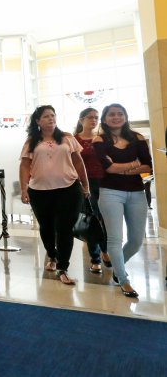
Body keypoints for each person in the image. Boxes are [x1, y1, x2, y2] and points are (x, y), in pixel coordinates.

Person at [19, 105, 90, 285]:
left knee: (65, 228)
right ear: (37, 121)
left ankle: (63, 268)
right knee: (47, 227)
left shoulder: (67, 138)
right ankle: (52, 254)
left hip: (69, 189)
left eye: (53, 115)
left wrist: (85, 184)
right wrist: (23, 188)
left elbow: (78, 161)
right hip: (39, 191)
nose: (51, 119)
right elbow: (25, 165)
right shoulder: (31, 141)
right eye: (45, 116)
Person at [93, 103, 153, 298]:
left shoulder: (138, 138)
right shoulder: (99, 140)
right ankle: (123, 280)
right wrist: (133, 164)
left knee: (136, 241)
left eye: (120, 114)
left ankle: (118, 268)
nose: (116, 117)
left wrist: (122, 166)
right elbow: (108, 168)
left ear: (126, 117)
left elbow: (148, 166)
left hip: (136, 192)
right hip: (110, 192)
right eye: (111, 114)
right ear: (104, 119)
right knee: (115, 239)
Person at [74, 107, 111, 274]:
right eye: (90, 117)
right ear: (81, 119)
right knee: (92, 221)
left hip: (105, 182)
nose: (94, 120)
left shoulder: (103, 139)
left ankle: (105, 249)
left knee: (106, 220)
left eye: (96, 118)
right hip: (85, 185)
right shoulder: (74, 140)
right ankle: (95, 258)